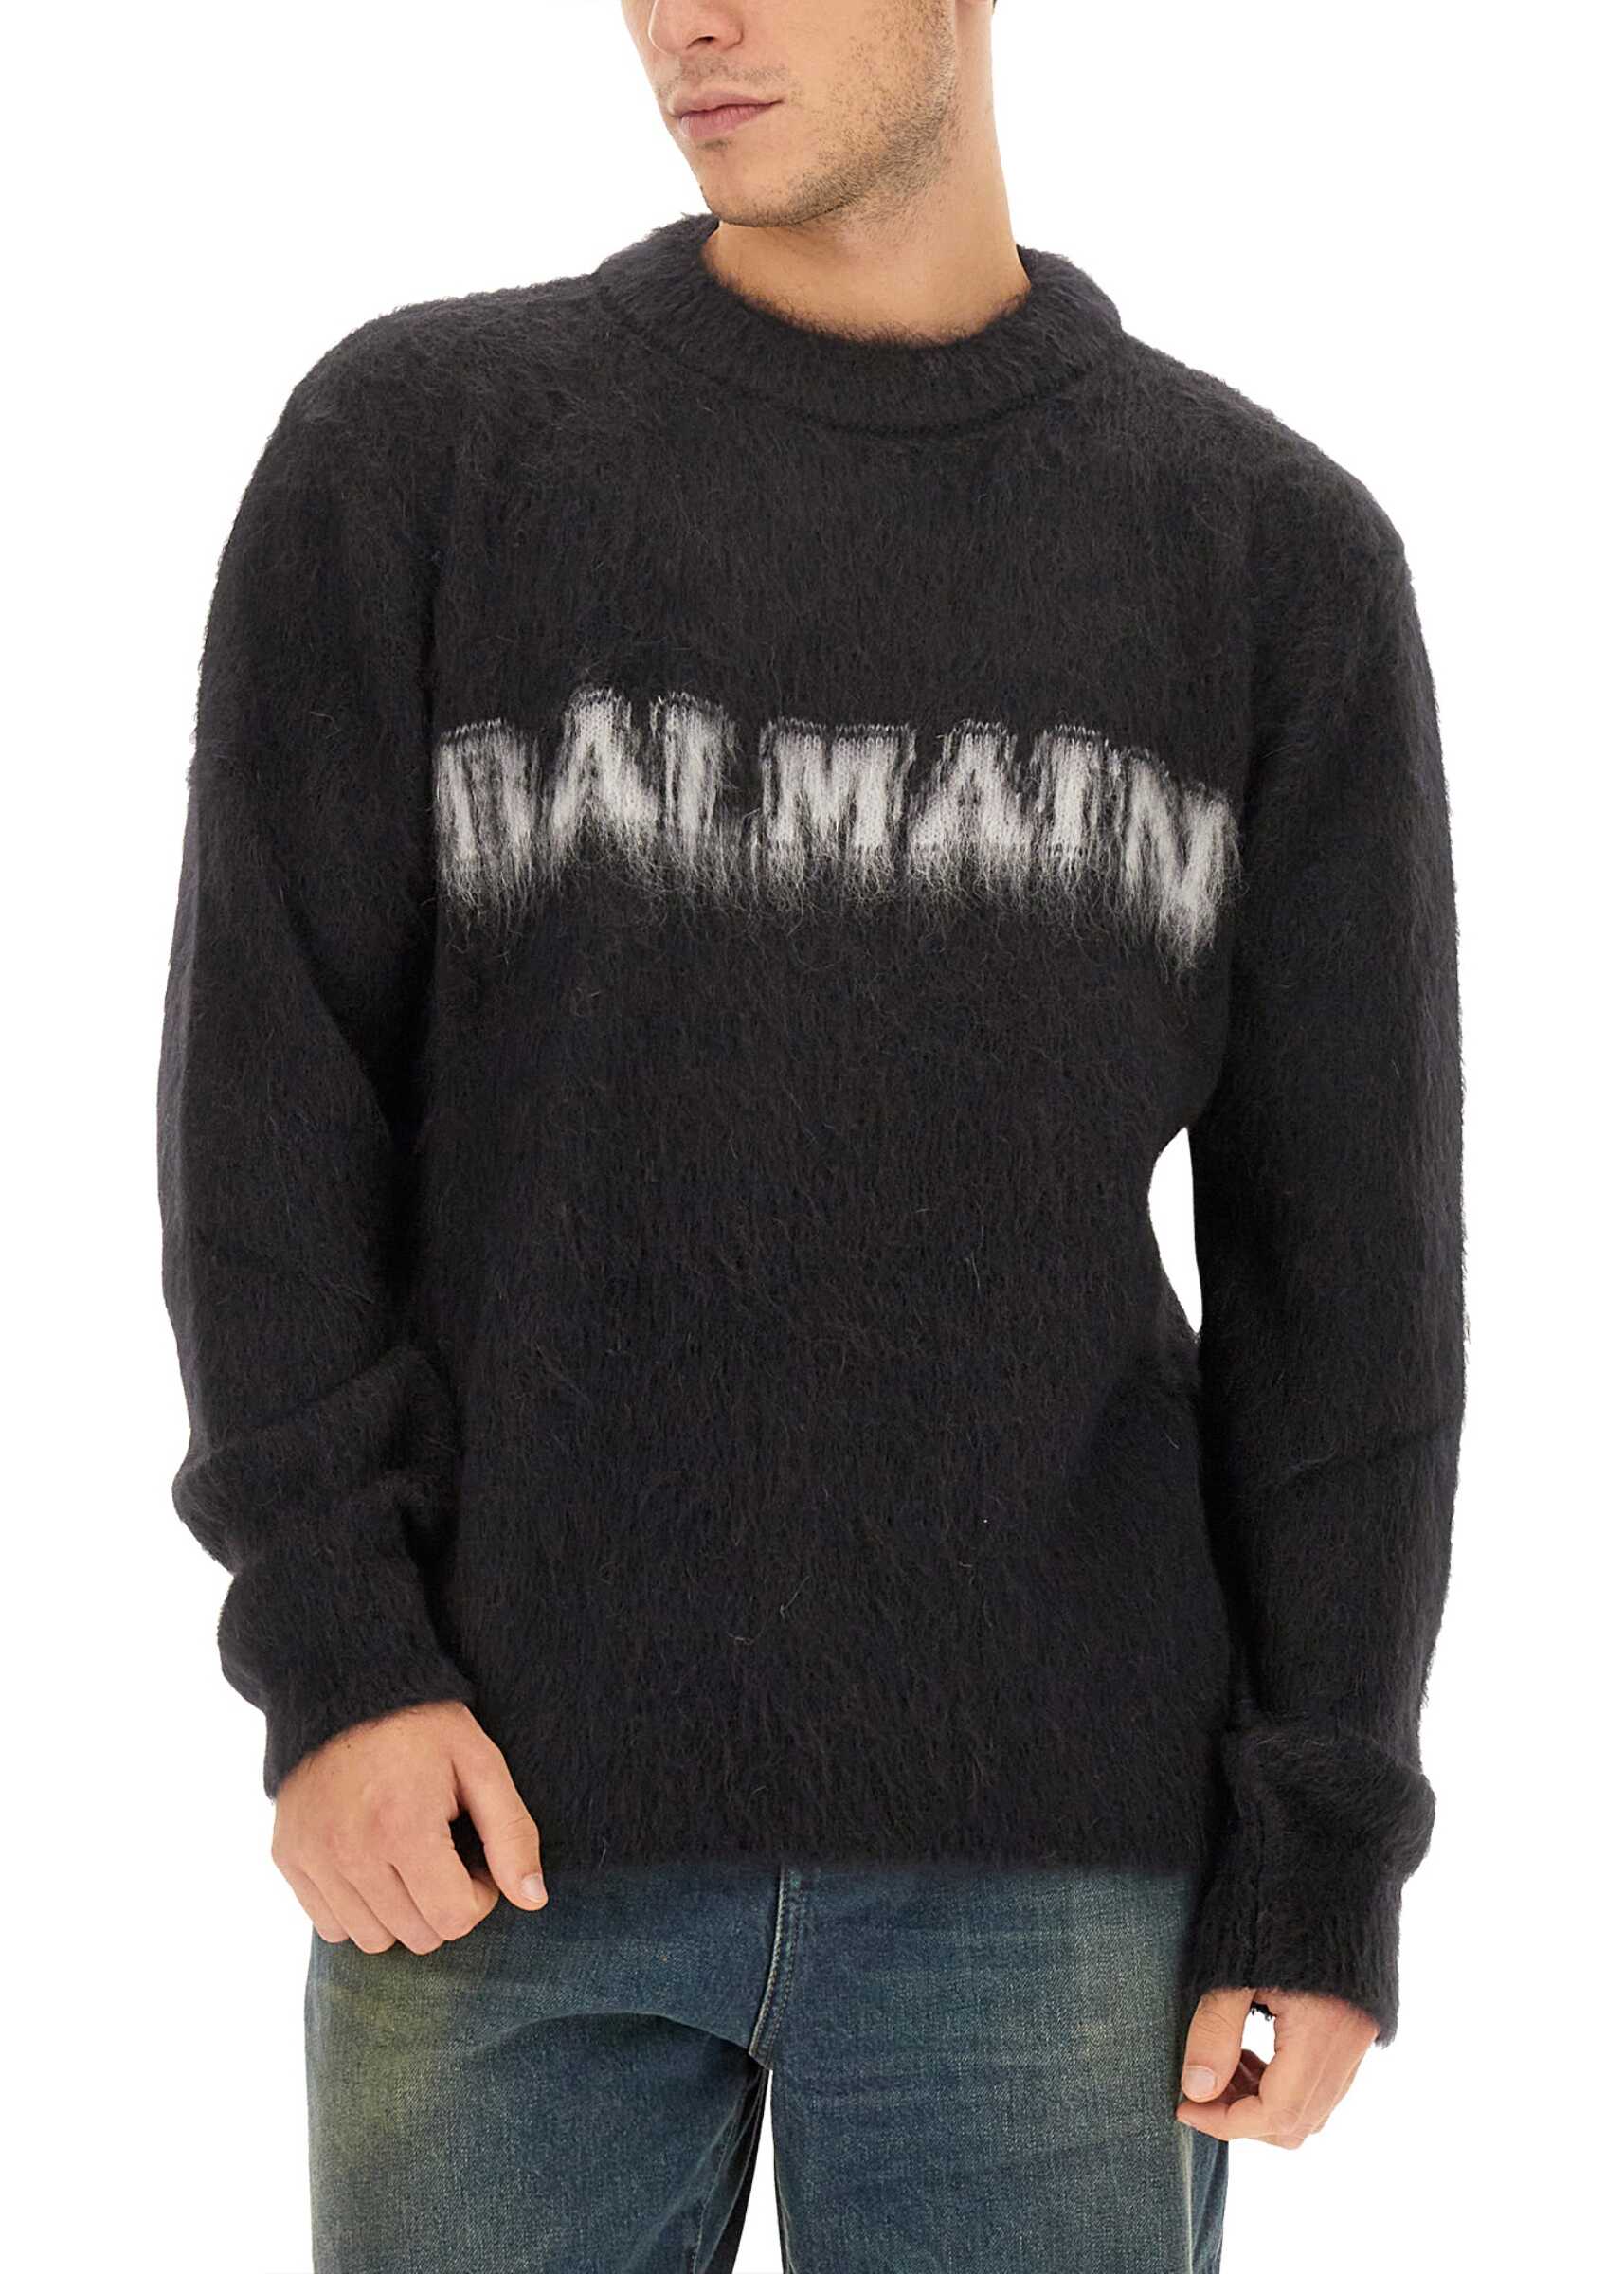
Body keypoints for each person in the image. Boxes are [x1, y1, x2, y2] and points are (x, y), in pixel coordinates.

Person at [154, 3, 1466, 2267]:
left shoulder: (1266, 559)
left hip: (1059, 1864)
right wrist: (337, 1661)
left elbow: (1343, 1283)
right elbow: (265, 1116)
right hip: (486, 1835)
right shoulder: (420, 455)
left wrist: (1320, 1852)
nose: (691, 18)